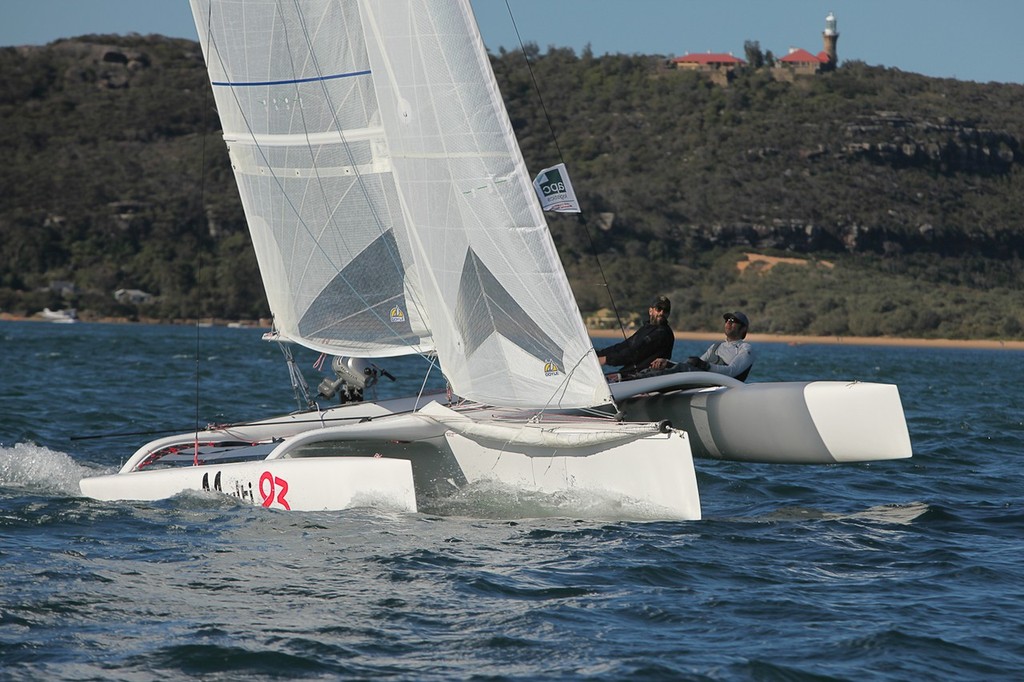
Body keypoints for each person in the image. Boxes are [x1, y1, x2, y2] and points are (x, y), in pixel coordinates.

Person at [651, 311, 755, 381]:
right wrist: (667, 363)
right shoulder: (716, 347)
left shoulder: (745, 348)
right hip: (705, 383)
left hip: (724, 387)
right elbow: (692, 366)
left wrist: (705, 365)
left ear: (743, 329)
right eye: (727, 320)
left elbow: (731, 371)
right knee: (659, 368)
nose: (728, 322)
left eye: (733, 321)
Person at [597, 296, 674, 377]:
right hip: (629, 374)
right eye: (659, 309)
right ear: (650, 311)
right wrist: (598, 354)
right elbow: (624, 345)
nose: (661, 313)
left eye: (665, 310)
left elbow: (635, 352)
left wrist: (606, 360)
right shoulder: (645, 328)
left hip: (644, 378)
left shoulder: (663, 333)